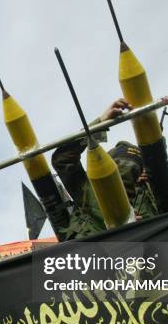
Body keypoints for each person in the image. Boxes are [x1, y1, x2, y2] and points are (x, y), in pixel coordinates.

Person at [52, 98, 158, 240]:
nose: (125, 170)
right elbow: (62, 159)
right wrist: (100, 124)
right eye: (120, 165)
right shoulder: (88, 189)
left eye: (133, 168)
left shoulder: (147, 196)